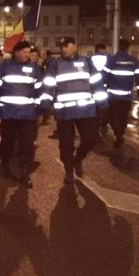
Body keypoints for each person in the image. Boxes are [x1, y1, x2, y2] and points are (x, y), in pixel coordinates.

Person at [42, 37, 108, 183]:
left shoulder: (86, 62)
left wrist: (102, 103)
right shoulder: (55, 64)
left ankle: (78, 159)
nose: (63, 49)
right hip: (65, 112)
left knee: (90, 140)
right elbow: (48, 85)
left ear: (74, 47)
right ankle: (69, 171)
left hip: (86, 111)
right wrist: (45, 104)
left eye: (66, 46)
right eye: (61, 46)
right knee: (66, 145)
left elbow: (97, 83)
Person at [0, 41, 42, 188]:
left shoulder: (34, 68)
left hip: (27, 114)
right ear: (16, 51)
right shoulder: (4, 66)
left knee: (27, 145)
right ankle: (6, 165)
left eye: (28, 52)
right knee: (7, 143)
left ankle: (24, 172)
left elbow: (39, 92)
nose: (27, 54)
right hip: (8, 113)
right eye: (24, 51)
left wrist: (40, 111)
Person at [102, 39, 139, 149]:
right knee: (123, 117)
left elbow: (104, 76)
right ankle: (120, 133)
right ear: (127, 48)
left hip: (113, 96)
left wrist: (104, 88)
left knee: (114, 116)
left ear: (118, 47)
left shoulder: (111, 60)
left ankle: (118, 135)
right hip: (126, 96)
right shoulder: (134, 60)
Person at [91, 43, 110, 135]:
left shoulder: (90, 59)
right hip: (105, 88)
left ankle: (95, 129)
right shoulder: (108, 59)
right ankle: (103, 125)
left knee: (95, 110)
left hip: (93, 89)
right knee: (105, 109)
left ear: (95, 50)